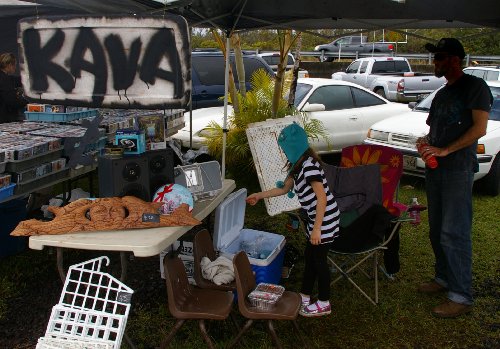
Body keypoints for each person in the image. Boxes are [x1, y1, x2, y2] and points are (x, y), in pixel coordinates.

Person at [417, 38, 493, 318]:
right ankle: (443, 278)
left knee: (454, 231)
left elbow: (480, 128)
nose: (435, 62)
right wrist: (424, 142)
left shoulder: (475, 87)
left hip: (458, 169)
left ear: (455, 60)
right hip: (435, 169)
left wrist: (446, 150)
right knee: (437, 229)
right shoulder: (441, 93)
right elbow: (434, 131)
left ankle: (461, 295)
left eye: (440, 57)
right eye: (435, 57)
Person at [246, 122, 340, 317]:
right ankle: (304, 295)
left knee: (319, 261)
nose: (284, 153)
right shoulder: (297, 166)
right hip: (315, 220)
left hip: (325, 220)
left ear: (294, 148)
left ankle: (324, 302)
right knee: (311, 257)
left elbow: (322, 198)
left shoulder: (310, 167)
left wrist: (317, 229)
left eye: (285, 149)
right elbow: (283, 189)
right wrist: (258, 195)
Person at [0, 52, 27, 123]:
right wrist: (27, 101)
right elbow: (12, 101)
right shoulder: (5, 79)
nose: (15, 68)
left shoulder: (5, 78)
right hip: (4, 120)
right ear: (9, 65)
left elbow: (15, 80)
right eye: (14, 65)